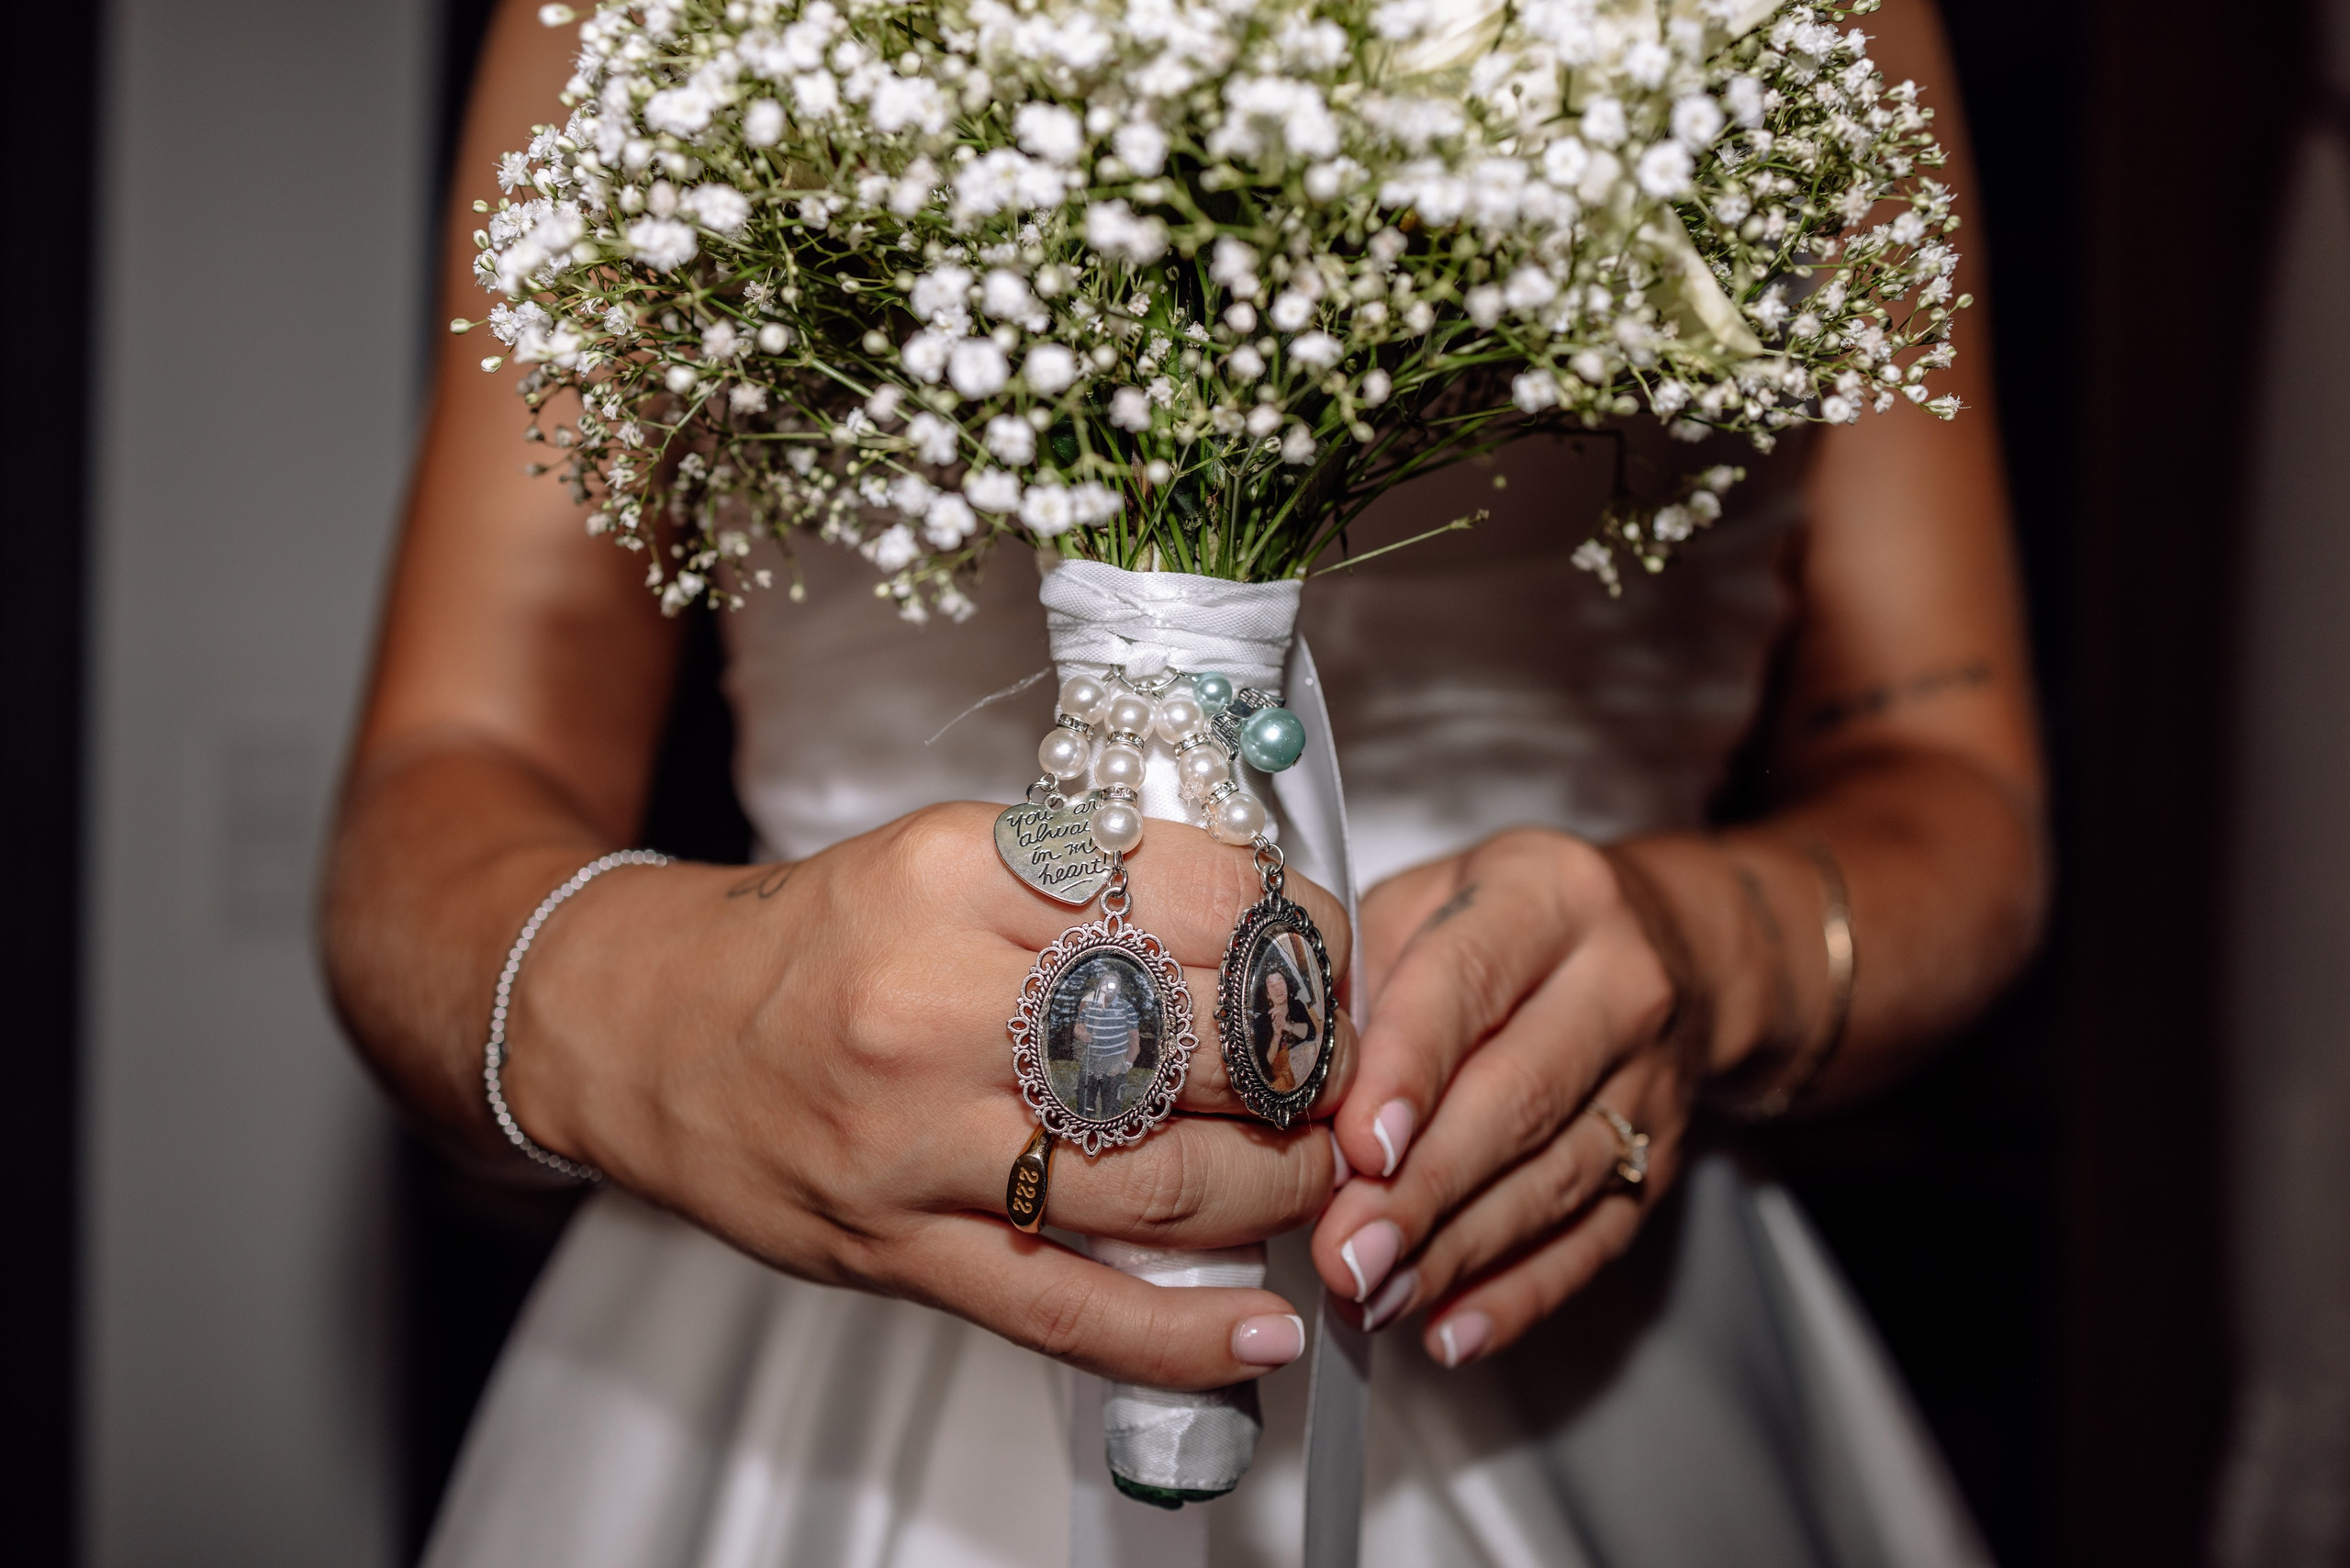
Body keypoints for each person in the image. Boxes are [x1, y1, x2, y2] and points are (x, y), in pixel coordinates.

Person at [322, 1, 2042, 1562]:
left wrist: (1702, 945)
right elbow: (448, 770)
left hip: (1553, 1323)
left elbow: (1952, 783)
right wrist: (677, 1012)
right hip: (794, 1321)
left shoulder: (1820, 33)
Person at [1073, 969, 1142, 1118]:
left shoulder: (1126, 1008)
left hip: (1115, 1060)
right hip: (1091, 1058)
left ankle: (1110, 1133)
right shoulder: (1089, 1005)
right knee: (1084, 1101)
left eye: (1112, 984)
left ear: (1118, 988)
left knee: (1111, 1106)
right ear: (1099, 986)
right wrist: (1082, 1034)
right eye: (1104, 983)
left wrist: (1128, 1062)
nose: (1108, 987)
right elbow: (1078, 1028)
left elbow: (1134, 1038)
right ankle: (1084, 1128)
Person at [1257, 959, 1316, 1096]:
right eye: (1272, 985)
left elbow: (1311, 1033)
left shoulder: (1297, 1006)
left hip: (1304, 1071)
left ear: (1287, 984)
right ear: (1267, 994)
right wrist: (1276, 1036)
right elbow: (1266, 1065)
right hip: (1280, 1080)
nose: (1278, 989)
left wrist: (1287, 1025)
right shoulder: (1262, 1022)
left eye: (1280, 982)